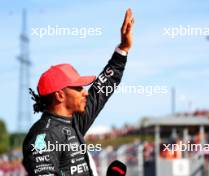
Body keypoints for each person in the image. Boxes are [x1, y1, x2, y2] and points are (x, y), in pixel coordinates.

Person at [22, 8, 134, 176]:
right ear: (59, 95)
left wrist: (123, 49)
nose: (85, 92)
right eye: (78, 88)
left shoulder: (72, 121)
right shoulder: (43, 135)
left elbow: (101, 90)